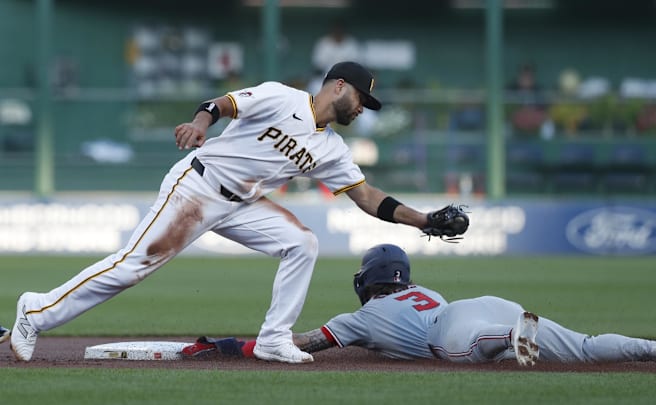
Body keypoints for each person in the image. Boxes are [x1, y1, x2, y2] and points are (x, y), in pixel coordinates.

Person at [7, 62, 467, 364]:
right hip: (198, 185)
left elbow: (368, 197)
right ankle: (36, 311)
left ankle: (273, 339)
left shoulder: (331, 148)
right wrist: (200, 124)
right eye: (362, 100)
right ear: (339, 85)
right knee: (131, 268)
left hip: (242, 203)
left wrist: (425, 220)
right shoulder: (282, 97)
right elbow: (220, 104)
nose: (363, 109)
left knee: (301, 242)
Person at [182, 244, 656, 368]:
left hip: (454, 330)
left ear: (365, 281)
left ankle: (512, 341)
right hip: (482, 303)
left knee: (463, 348)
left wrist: (233, 344)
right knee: (580, 345)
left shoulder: (359, 318)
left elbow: (298, 346)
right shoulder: (428, 291)